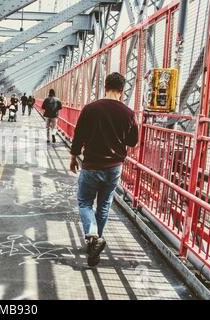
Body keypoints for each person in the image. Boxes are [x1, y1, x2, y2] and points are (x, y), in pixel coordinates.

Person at [69, 72, 139, 267]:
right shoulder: (128, 113)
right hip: (114, 167)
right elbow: (133, 141)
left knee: (84, 202)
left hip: (91, 165)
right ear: (122, 91)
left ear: (105, 87)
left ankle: (92, 235)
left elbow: (79, 135)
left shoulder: (90, 109)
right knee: (104, 205)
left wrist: (73, 156)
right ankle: (95, 245)